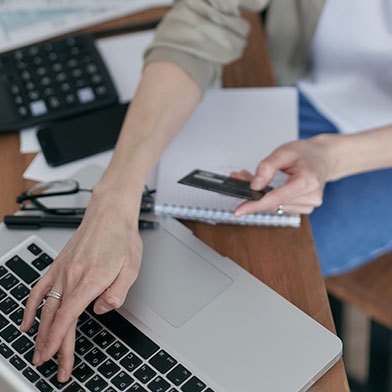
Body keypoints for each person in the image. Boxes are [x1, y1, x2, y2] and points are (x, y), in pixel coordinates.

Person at [20, 0, 392, 383]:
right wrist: (113, 199)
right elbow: (206, 14)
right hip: (298, 81)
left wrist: (332, 157)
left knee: (259, 284)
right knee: (185, 250)